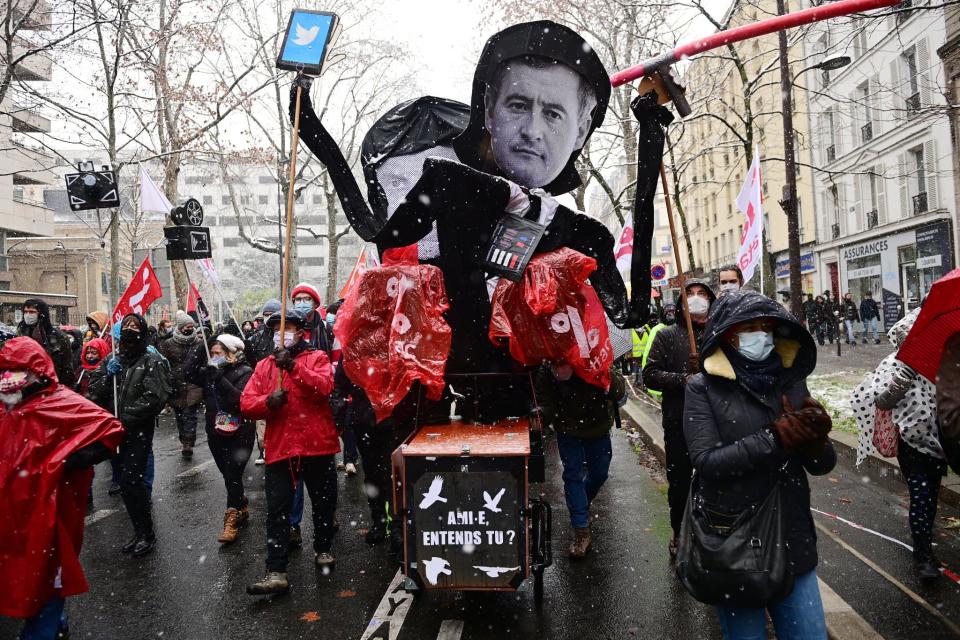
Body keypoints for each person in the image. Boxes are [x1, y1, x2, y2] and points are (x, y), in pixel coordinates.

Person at [683, 291, 835, 639]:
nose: (760, 335)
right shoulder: (702, 388)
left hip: (793, 537)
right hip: (735, 542)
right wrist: (774, 438)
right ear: (726, 335)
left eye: (766, 327)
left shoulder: (791, 381)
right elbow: (707, 462)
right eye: (748, 327)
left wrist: (815, 440)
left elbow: (821, 466)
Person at [0, 337, 124, 640]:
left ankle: (45, 627)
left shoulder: (61, 402)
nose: (8, 380)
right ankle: (53, 622)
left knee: (44, 575)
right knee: (18, 577)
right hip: (10, 511)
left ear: (36, 371)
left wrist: (66, 461)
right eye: (4, 372)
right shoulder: (6, 405)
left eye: (16, 372)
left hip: (47, 512)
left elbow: (109, 431)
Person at [241, 309, 339, 596]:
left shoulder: (317, 358)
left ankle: (322, 548)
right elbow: (247, 403)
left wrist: (295, 369)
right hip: (281, 448)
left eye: (287, 327)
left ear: (300, 333)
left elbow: (324, 387)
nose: (280, 333)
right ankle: (276, 570)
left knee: (323, 503)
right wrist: (267, 402)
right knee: (278, 510)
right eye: (275, 329)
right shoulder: (263, 367)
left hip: (316, 445)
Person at [853, 308, 946, 582]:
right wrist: (902, 379)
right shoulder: (894, 364)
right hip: (912, 444)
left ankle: (925, 544)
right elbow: (881, 401)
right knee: (922, 497)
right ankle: (923, 555)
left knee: (931, 497)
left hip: (943, 442)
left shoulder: (945, 362)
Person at [642, 279, 715, 557]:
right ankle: (679, 529)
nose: (696, 298)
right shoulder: (667, 336)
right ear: (681, 303)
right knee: (680, 482)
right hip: (679, 423)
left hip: (715, 423)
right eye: (690, 294)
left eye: (702, 294)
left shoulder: (718, 334)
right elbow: (650, 374)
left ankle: (711, 533)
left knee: (713, 480)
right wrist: (685, 379)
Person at [88, 313, 171, 557]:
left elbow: (155, 397)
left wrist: (125, 419)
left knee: (131, 480)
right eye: (126, 325)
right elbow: (95, 391)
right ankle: (138, 531)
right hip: (112, 431)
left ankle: (147, 533)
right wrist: (107, 376)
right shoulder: (112, 360)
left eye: (135, 326)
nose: (130, 329)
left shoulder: (150, 360)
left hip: (136, 430)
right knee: (124, 483)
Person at [536, 363, 626, 558]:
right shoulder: (550, 363)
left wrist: (603, 374)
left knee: (599, 473)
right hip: (568, 428)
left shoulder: (596, 354)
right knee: (573, 475)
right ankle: (581, 530)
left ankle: (581, 506)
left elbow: (619, 391)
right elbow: (547, 402)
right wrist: (542, 414)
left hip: (598, 426)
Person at [186, 334, 255, 545]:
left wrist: (220, 380)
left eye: (218, 353)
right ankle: (240, 502)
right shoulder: (209, 372)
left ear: (231, 354)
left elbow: (240, 400)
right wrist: (201, 344)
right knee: (227, 475)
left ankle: (231, 519)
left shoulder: (246, 372)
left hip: (240, 433)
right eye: (212, 353)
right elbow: (187, 372)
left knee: (233, 474)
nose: (214, 357)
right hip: (215, 432)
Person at [158, 311, 203, 457]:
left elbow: (204, 361)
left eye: (191, 326)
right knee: (179, 415)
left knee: (190, 414)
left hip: (193, 384)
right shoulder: (168, 344)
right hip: (175, 384)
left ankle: (188, 443)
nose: (189, 329)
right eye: (186, 326)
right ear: (180, 327)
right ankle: (183, 438)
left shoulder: (199, 343)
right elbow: (163, 364)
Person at [248, 298, 281, 466]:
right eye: (266, 315)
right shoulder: (256, 338)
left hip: (280, 385)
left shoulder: (283, 334)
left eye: (272, 314)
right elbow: (251, 361)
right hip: (262, 386)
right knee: (261, 428)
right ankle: (263, 450)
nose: (269, 317)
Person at [17, 298, 76, 388]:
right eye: (25, 312)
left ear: (41, 314)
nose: (28, 315)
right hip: (24, 387)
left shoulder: (59, 337)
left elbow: (66, 368)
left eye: (32, 312)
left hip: (51, 386)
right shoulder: (20, 334)